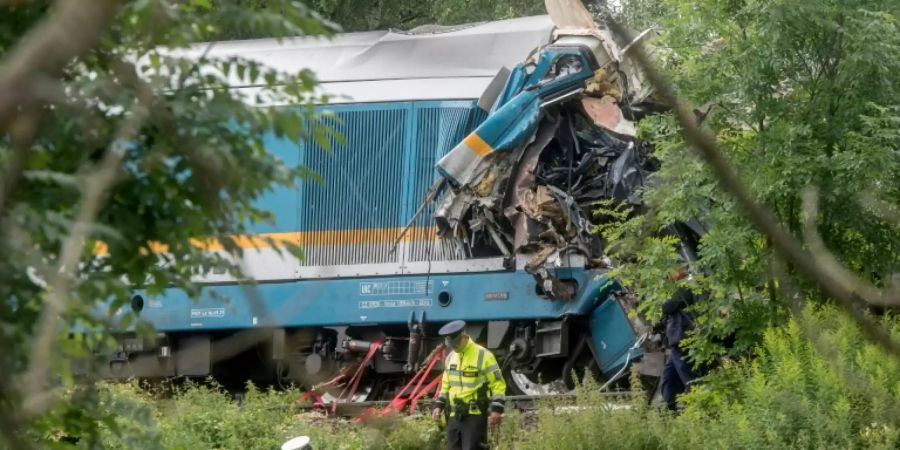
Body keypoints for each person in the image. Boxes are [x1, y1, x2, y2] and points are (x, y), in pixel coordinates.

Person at [432, 320, 506, 450]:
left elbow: (497, 384)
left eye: (455, 345)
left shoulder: (484, 355)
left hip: (475, 415)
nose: (454, 348)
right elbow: (445, 385)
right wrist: (438, 406)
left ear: (464, 337)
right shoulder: (450, 357)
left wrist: (496, 409)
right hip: (454, 416)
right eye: (451, 345)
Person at [659, 268, 702, 412]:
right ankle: (668, 410)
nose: (668, 276)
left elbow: (669, 307)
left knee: (690, 378)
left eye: (670, 272)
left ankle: (701, 410)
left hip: (685, 340)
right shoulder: (682, 287)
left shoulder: (688, 285)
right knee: (669, 377)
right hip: (677, 340)